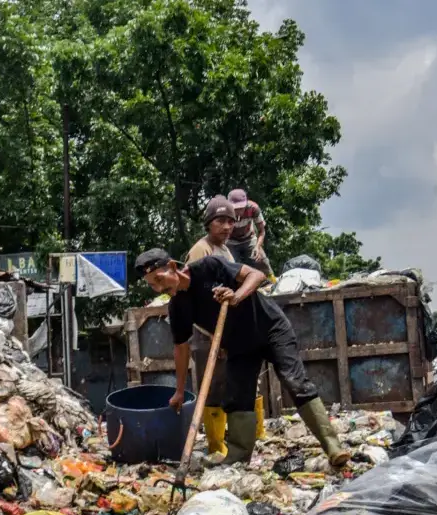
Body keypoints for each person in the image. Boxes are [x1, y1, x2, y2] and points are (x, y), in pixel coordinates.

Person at [134, 246, 347, 466]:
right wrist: (179, 391)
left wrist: (236, 296)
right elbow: (181, 347)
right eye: (152, 285)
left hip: (270, 328)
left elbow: (257, 275)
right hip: (239, 345)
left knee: (295, 381)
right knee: (237, 398)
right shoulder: (178, 307)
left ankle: (332, 446)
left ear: (171, 267)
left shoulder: (209, 267)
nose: (159, 288)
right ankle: (238, 457)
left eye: (159, 279)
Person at [184, 197, 236, 459]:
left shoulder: (226, 252)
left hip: (227, 329)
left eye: (230, 222)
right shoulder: (200, 251)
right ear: (208, 223)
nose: (226, 227)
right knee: (213, 387)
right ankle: (217, 446)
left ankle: (244, 437)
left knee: (234, 384)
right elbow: (189, 292)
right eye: (220, 221)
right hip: (206, 332)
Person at [227, 188, 274, 278]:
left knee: (261, 260)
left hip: (249, 238)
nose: (239, 211)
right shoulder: (225, 212)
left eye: (241, 208)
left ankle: (272, 282)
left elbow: (261, 231)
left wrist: (257, 247)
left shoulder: (253, 208)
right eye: (236, 208)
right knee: (231, 265)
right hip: (230, 241)